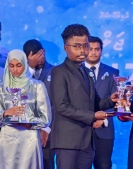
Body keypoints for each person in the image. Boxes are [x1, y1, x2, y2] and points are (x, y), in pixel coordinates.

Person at [50, 24, 117, 169]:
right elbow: (61, 107)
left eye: (85, 46)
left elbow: (96, 102)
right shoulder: (58, 72)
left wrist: (112, 100)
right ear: (66, 48)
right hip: (67, 142)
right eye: (77, 46)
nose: (82, 50)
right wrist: (93, 116)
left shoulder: (86, 72)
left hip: (87, 141)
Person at [0, 49, 52, 168]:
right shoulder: (2, 88)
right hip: (7, 138)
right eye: (11, 66)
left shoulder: (37, 85)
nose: (15, 70)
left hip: (29, 137)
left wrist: (28, 121)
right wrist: (6, 113)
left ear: (25, 64)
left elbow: (46, 118)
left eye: (19, 65)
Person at [84, 36, 119, 169]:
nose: (93, 52)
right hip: (82, 129)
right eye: (90, 49)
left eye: (97, 49)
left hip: (104, 129)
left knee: (104, 165)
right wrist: (90, 119)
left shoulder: (112, 73)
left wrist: (103, 119)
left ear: (101, 51)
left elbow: (116, 102)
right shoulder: (76, 72)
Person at [23, 39, 54, 169]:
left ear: (44, 52)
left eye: (41, 55)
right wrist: (29, 67)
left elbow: (56, 104)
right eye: (35, 57)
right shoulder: (22, 75)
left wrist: (46, 128)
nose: (39, 59)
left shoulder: (55, 71)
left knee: (47, 163)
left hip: (46, 131)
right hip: (25, 131)